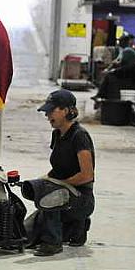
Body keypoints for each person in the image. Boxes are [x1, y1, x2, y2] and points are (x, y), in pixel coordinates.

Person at [31, 89, 95, 257]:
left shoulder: (79, 136)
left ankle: (52, 243)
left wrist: (58, 184)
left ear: (66, 111)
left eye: (52, 111)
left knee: (51, 195)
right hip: (64, 193)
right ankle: (76, 229)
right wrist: (44, 180)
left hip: (82, 198)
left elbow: (87, 175)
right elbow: (58, 168)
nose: (47, 116)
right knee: (28, 233)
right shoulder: (57, 134)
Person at [93, 33, 135, 100]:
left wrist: (109, 69)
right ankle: (101, 95)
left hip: (126, 73)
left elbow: (118, 62)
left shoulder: (127, 51)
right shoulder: (129, 50)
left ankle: (100, 95)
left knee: (108, 76)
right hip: (129, 72)